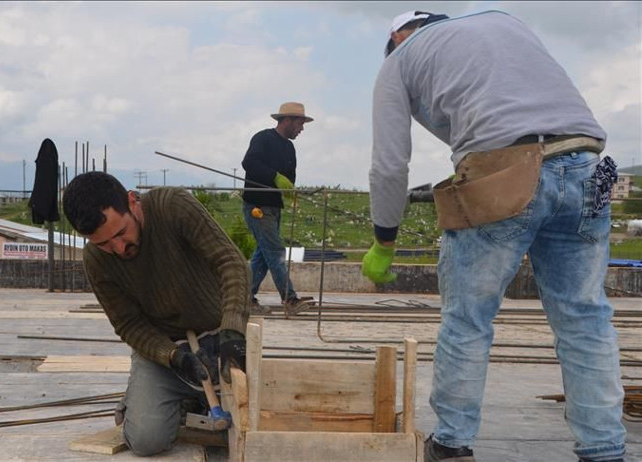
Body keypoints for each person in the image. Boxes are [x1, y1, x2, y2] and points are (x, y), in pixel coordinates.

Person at [365, 10, 625, 462]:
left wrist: (384, 238)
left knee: (468, 318)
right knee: (585, 317)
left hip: (501, 166)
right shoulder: (505, 22)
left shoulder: (398, 61)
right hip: (589, 163)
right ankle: (604, 449)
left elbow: (389, 164)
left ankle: (451, 444)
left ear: (397, 37)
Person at [62, 172, 250, 456]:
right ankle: (162, 398)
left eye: (120, 233)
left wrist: (233, 332)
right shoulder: (96, 261)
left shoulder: (172, 207)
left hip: (218, 332)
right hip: (168, 352)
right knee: (146, 439)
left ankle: (193, 398)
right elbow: (129, 325)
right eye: (103, 244)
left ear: (132, 202)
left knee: (256, 417)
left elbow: (231, 263)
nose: (119, 248)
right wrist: (173, 357)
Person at [241, 101, 316, 316]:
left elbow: (289, 178)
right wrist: (274, 176)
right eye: (300, 123)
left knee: (263, 256)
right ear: (287, 120)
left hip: (274, 207)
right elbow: (249, 163)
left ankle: (243, 298)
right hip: (257, 207)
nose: (302, 129)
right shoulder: (262, 138)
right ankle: (290, 299)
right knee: (275, 252)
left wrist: (290, 189)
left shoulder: (289, 148)